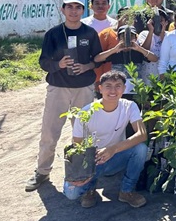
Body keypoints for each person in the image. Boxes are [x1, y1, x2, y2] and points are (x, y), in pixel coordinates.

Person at [25, 0, 102, 192]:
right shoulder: (53, 34)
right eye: (70, 7)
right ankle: (42, 171)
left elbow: (98, 59)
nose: (73, 11)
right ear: (63, 9)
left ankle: (84, 173)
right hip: (58, 88)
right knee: (50, 132)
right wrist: (58, 64)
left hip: (84, 89)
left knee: (84, 133)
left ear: (83, 11)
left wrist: (86, 67)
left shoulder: (90, 33)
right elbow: (43, 62)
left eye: (78, 7)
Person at [63, 71, 148, 209]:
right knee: (71, 194)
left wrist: (113, 149)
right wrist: (84, 167)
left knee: (141, 149)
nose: (113, 90)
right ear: (100, 88)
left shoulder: (129, 106)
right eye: (108, 86)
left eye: (118, 86)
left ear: (124, 89)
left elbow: (142, 134)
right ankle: (89, 189)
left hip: (116, 157)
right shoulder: (86, 112)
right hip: (93, 161)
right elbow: (77, 144)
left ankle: (126, 191)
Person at [95, 23, 152, 97]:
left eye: (131, 36)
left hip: (135, 90)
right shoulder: (115, 52)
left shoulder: (139, 52)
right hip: (118, 89)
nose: (127, 39)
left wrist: (139, 49)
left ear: (135, 38)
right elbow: (97, 59)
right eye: (123, 36)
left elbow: (154, 58)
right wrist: (114, 50)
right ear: (118, 38)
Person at [136, 10, 168, 85]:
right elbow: (144, 50)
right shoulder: (144, 34)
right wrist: (151, 31)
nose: (158, 23)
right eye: (155, 21)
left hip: (164, 73)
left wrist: (162, 32)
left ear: (166, 22)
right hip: (148, 73)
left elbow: (168, 50)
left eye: (161, 21)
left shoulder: (169, 35)